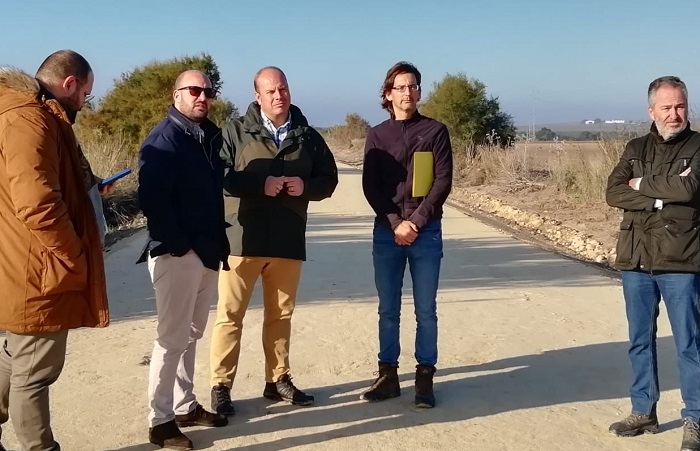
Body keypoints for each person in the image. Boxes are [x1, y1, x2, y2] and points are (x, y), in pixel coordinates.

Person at [209, 66, 338, 415]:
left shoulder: (308, 136)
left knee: (280, 315)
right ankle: (221, 386)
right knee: (229, 315)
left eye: (283, 89)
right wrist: (258, 185)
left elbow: (329, 178)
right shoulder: (234, 132)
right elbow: (218, 174)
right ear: (257, 96)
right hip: (241, 239)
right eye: (270, 91)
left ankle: (277, 379)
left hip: (287, 238)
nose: (278, 96)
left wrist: (306, 188)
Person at [0, 50, 109, 451]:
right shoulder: (28, 119)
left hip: (21, 264)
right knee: (35, 372)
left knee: (15, 355)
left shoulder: (25, 113)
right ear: (70, 84)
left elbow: (40, 184)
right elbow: (37, 202)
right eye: (86, 93)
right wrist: (72, 254)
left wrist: (89, 189)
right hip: (37, 270)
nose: (85, 102)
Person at [606, 76, 700, 451]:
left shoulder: (698, 146)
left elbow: (690, 189)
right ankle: (643, 409)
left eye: (680, 106)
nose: (675, 114)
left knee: (689, 343)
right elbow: (613, 192)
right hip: (636, 257)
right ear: (651, 110)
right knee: (639, 340)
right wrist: (660, 197)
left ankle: (695, 417)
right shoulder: (635, 146)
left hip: (681, 258)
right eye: (667, 107)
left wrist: (640, 185)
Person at [137, 70, 229, 450]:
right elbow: (152, 202)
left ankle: (185, 405)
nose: (202, 97)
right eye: (194, 90)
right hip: (179, 255)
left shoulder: (207, 136)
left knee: (190, 336)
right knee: (171, 338)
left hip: (206, 252)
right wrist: (181, 248)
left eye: (208, 91)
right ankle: (160, 422)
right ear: (176, 95)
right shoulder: (164, 141)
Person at [360, 61, 453, 409]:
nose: (408, 92)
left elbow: (442, 181)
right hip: (387, 234)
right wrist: (394, 222)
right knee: (388, 309)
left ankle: (425, 377)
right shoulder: (377, 136)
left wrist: (415, 222)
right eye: (400, 87)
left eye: (413, 86)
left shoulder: (435, 131)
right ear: (388, 94)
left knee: (426, 310)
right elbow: (371, 187)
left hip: (426, 233)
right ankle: (387, 375)